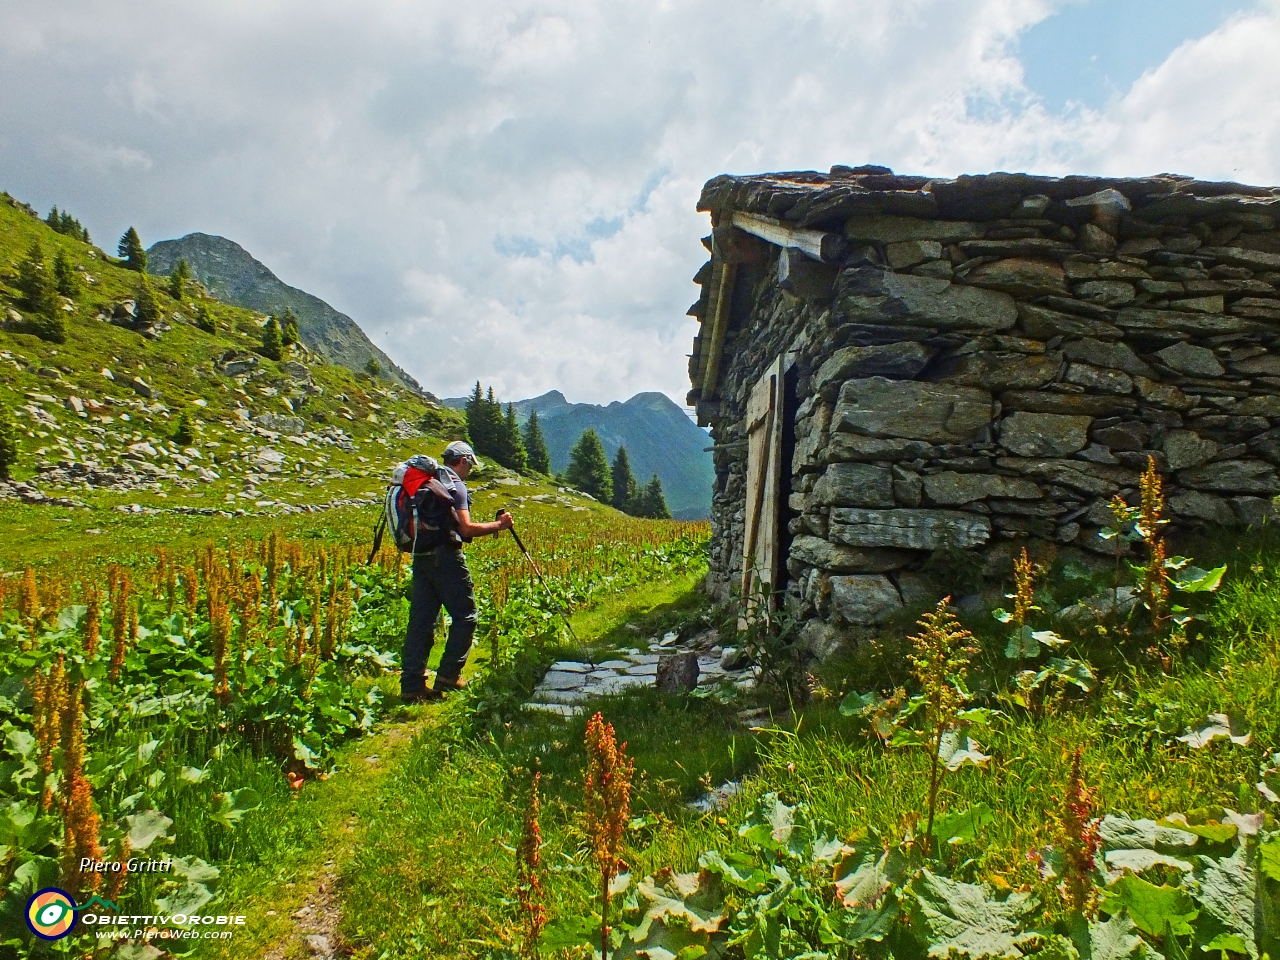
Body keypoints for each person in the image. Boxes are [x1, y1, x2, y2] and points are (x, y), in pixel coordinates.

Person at [400, 440, 514, 702]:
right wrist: (499, 525)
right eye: (470, 465)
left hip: (420, 556)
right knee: (466, 616)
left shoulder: (425, 483)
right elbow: (465, 529)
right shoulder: (455, 485)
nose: (471, 470)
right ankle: (449, 676)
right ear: (463, 461)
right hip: (446, 557)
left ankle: (411, 685)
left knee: (421, 622)